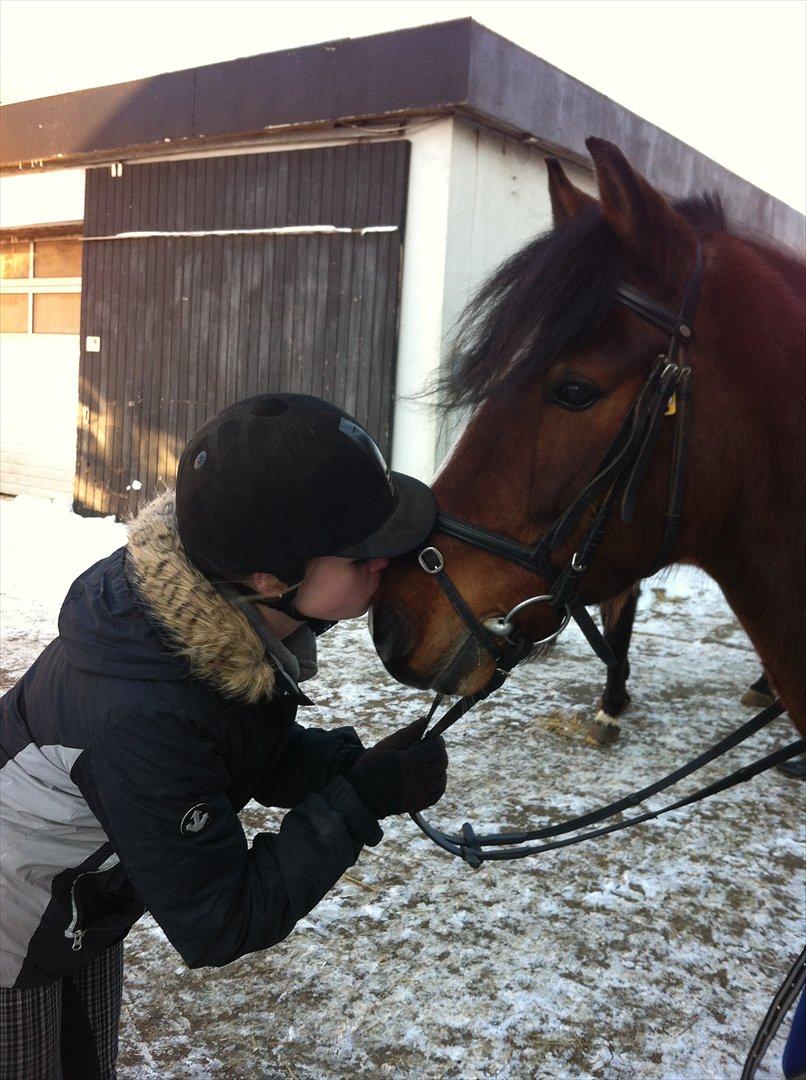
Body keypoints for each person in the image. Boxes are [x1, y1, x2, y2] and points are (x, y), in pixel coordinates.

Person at [0, 394, 448, 1080]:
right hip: (11, 918)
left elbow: (227, 747)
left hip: (82, 903)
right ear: (271, 578)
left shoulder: (217, 616)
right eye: (363, 554)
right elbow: (221, 920)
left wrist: (344, 767)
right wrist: (355, 803)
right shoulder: (143, 710)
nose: (387, 561)